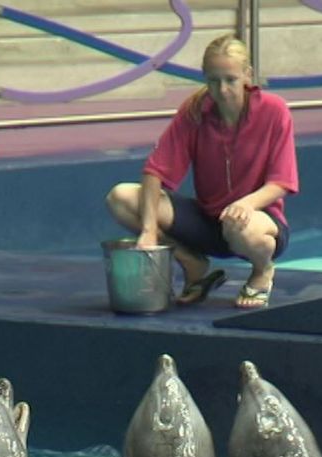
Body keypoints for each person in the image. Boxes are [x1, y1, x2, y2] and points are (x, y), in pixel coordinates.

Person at [105, 34, 299, 309]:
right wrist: (149, 230)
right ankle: (192, 263)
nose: (222, 90)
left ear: (247, 75)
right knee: (121, 197)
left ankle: (262, 271)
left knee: (244, 228)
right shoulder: (195, 112)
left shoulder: (274, 111)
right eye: (213, 81)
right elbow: (154, 171)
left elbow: (281, 182)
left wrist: (246, 204)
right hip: (208, 221)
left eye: (230, 80)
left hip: (256, 221)